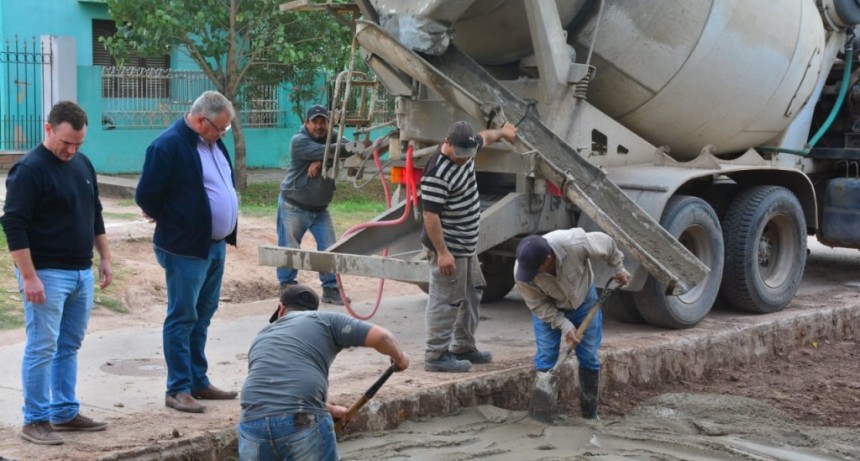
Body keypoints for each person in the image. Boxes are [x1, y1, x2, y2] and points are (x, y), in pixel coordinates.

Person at [1, 101, 113, 445]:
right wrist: (29, 276)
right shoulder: (30, 169)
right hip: (47, 274)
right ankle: (35, 420)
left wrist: (105, 258)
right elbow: (14, 225)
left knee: (69, 345)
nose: (71, 150)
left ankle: (64, 411)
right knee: (42, 346)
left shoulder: (82, 163)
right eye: (66, 142)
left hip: (81, 272)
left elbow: (94, 212)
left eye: (78, 143)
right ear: (49, 129)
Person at [136, 91, 240, 414]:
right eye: (219, 129)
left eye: (225, 130)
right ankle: (177, 388)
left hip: (214, 246)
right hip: (184, 248)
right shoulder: (167, 146)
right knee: (182, 317)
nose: (222, 135)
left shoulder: (212, 143)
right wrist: (173, 217)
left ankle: (198, 380)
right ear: (200, 120)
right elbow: (146, 196)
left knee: (203, 315)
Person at [238, 283, 409, 461]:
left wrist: (330, 409)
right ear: (314, 310)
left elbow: (274, 393)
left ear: (281, 310)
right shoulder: (325, 320)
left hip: (251, 424)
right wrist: (400, 358)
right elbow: (382, 337)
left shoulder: (261, 336)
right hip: (300, 421)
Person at [420, 120, 518, 373]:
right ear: (447, 143)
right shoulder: (437, 173)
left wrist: (504, 133)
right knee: (446, 300)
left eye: (468, 154)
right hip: (449, 247)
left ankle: (463, 345)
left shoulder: (469, 147)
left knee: (474, 292)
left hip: (467, 246)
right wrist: (443, 253)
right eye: (460, 154)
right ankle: (436, 354)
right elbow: (430, 216)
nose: (465, 160)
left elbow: (486, 136)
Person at [513, 229, 631, 419]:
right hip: (548, 308)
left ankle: (590, 415)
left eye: (536, 271)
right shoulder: (523, 273)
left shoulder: (574, 243)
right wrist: (564, 325)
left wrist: (618, 268)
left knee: (588, 356)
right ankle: (543, 414)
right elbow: (537, 304)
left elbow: (607, 244)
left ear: (548, 259)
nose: (532, 274)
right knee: (546, 356)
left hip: (583, 300)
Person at [277, 104, 352, 305]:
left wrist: (320, 161)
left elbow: (348, 146)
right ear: (306, 123)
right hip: (294, 205)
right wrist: (325, 154)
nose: (320, 126)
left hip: (320, 209)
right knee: (289, 249)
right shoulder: (299, 141)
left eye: (323, 122)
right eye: (315, 122)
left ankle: (330, 289)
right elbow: (337, 149)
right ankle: (288, 289)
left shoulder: (331, 136)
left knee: (329, 248)